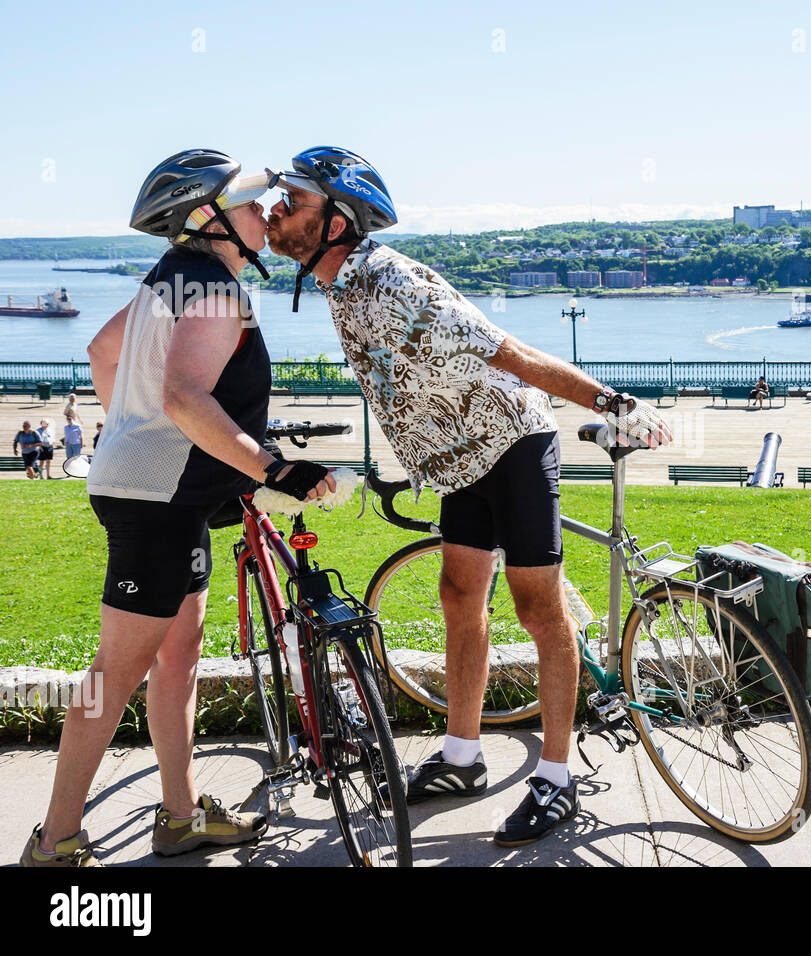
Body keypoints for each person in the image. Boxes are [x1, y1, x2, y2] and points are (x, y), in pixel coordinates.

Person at [267, 146, 671, 848]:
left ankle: (556, 777)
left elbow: (508, 353)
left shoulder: (389, 279)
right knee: (459, 599)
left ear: (335, 222)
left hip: (512, 445)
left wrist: (612, 401)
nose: (276, 212)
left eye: (292, 202)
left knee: (537, 608)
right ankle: (462, 757)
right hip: (457, 464)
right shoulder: (339, 287)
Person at [20, 150, 326, 868]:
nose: (265, 215)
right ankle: (56, 842)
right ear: (209, 217)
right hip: (156, 501)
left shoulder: (172, 279)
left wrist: (132, 432)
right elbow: (187, 398)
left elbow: (103, 350)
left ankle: (180, 816)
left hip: (163, 494)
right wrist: (272, 466)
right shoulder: (216, 290)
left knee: (179, 656)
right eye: (252, 205)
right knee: (116, 672)